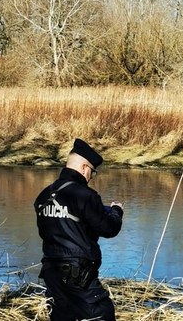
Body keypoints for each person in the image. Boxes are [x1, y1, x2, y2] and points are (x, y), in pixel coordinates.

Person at [34, 138, 124, 321]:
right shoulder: (86, 196)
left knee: (62, 316)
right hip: (78, 275)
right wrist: (116, 211)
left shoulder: (43, 195)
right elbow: (108, 229)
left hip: (51, 273)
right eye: (92, 172)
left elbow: (49, 230)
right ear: (84, 168)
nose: (91, 177)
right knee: (102, 313)